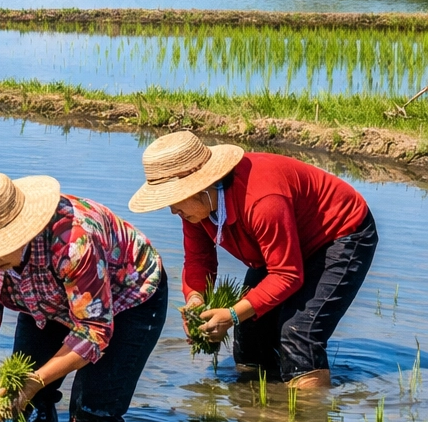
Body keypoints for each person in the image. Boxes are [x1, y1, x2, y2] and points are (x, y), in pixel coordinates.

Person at [0, 171, 166, 422]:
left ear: (21, 230)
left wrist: (37, 381)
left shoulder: (73, 241)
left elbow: (93, 331)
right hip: (49, 301)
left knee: (93, 415)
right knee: (28, 408)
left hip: (128, 296)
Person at [128, 131, 375, 389]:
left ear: (200, 187)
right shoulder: (195, 210)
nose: (172, 210)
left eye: (174, 200)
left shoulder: (261, 200)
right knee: (250, 332)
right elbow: (199, 260)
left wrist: (231, 314)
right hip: (283, 241)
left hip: (340, 233)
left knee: (300, 334)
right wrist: (196, 300)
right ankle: (258, 408)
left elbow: (287, 274)